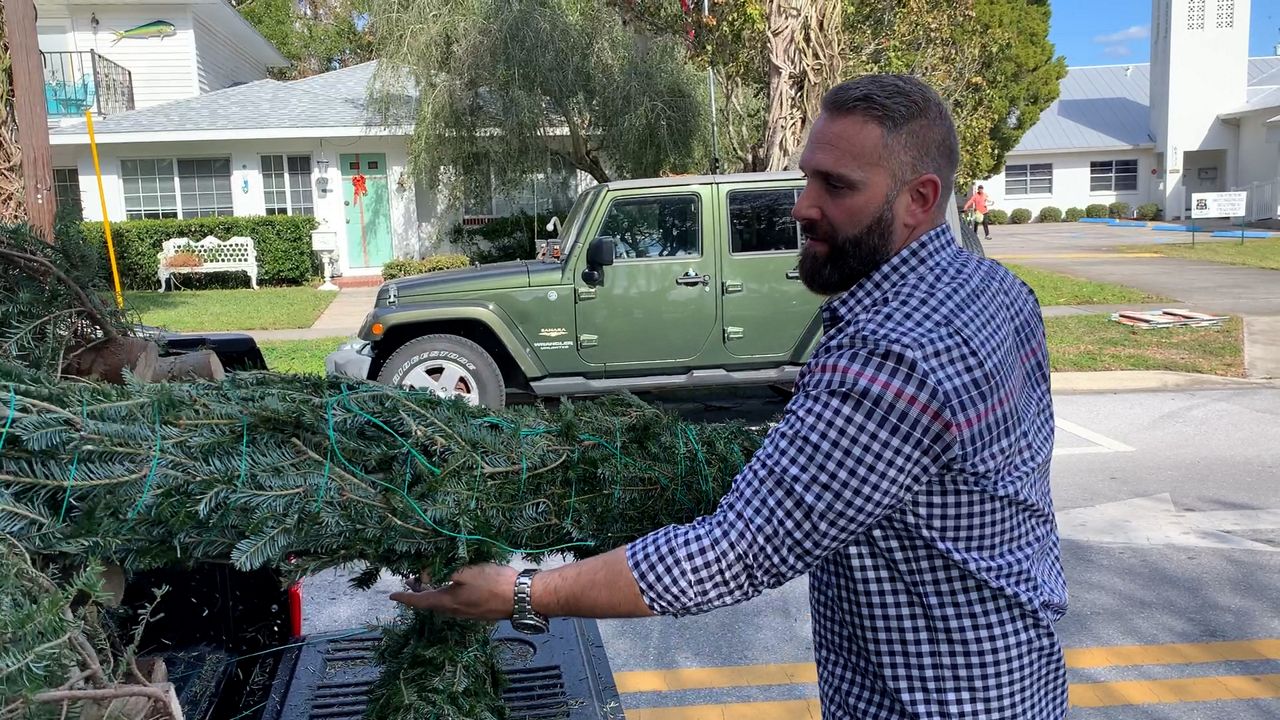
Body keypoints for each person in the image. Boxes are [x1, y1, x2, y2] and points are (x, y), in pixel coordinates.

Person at [389, 74, 1068, 720]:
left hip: (934, 701)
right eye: (807, 177)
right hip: (1020, 677)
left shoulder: (890, 356)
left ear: (919, 199)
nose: (801, 206)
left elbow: (736, 551)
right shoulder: (999, 292)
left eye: (836, 186)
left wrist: (522, 592)